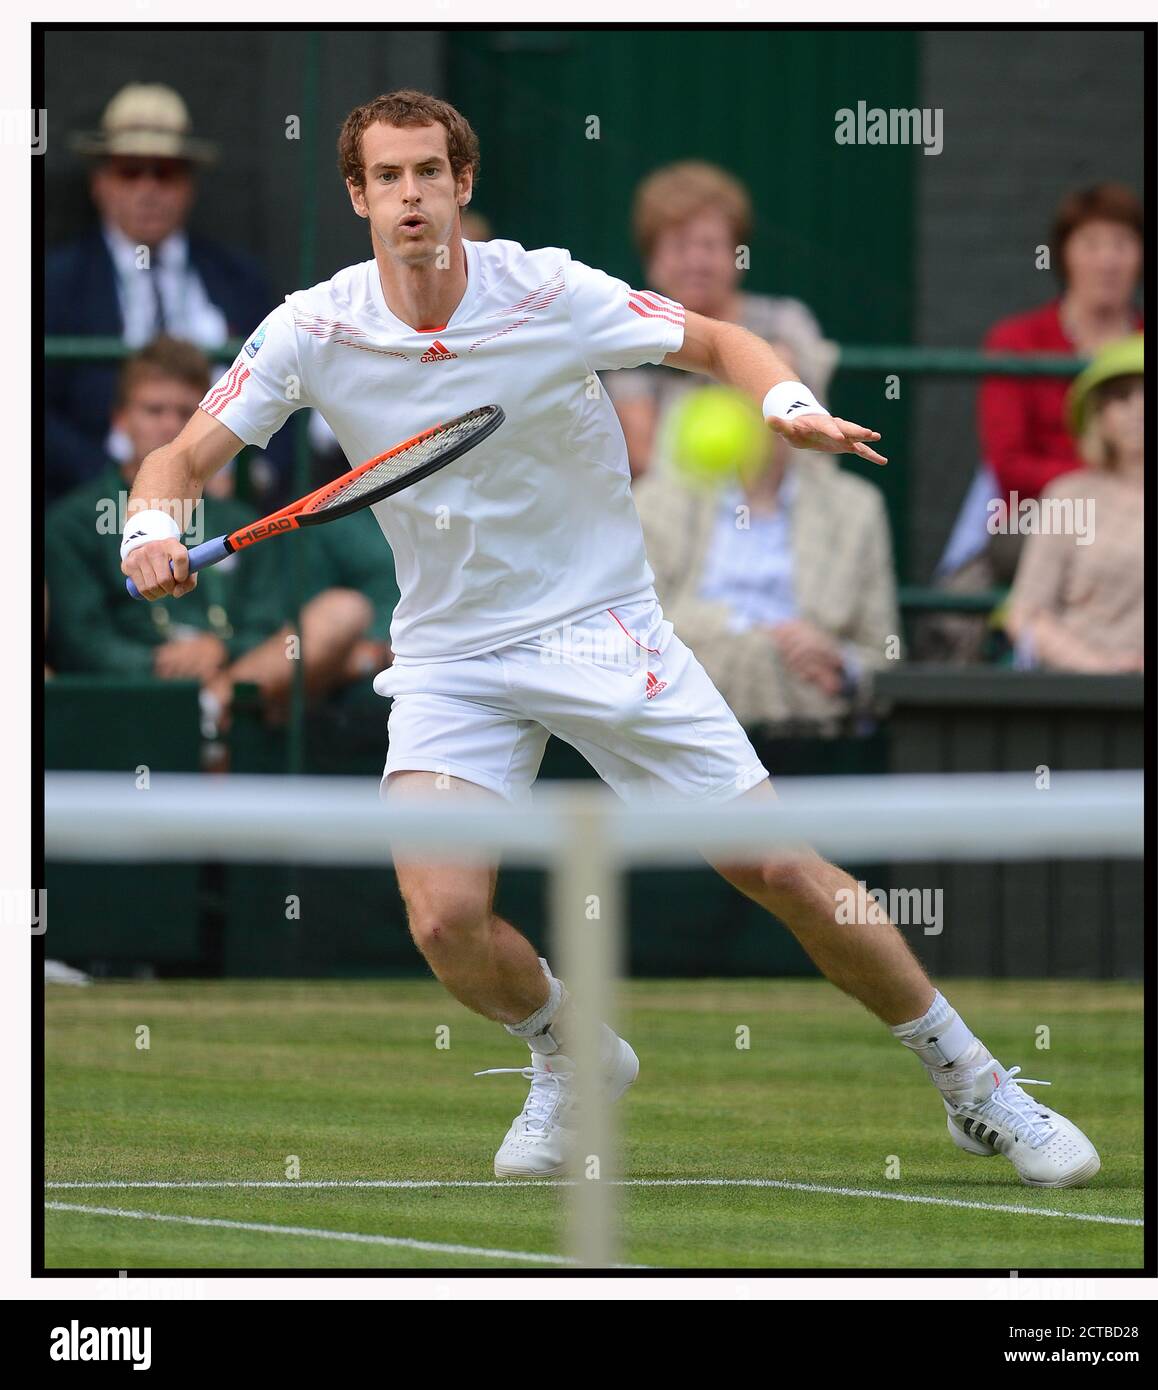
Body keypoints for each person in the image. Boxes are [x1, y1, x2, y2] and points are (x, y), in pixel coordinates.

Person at [119, 89, 1098, 1190]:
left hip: (600, 624)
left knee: (774, 863)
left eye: (428, 174)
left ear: (461, 185)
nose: (410, 196)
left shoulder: (550, 289)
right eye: (386, 178)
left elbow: (722, 338)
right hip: (451, 653)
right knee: (444, 919)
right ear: (357, 195)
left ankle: (977, 1085)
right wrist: (154, 523)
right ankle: (571, 1055)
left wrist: (781, 406)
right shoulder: (313, 326)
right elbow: (185, 457)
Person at [45, 338, 383, 731]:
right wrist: (158, 663)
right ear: (120, 419)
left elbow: (269, 620)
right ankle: (204, 719)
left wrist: (221, 650)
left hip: (237, 687)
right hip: (123, 698)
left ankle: (209, 713)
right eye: (154, 410)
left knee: (342, 610)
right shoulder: (73, 521)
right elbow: (79, 636)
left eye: (185, 413)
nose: (169, 424)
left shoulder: (239, 516)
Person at [46, 83, 278, 499]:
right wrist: (119, 482)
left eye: (165, 173)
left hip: (227, 501)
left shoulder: (239, 279)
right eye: (130, 171)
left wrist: (250, 476)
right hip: (98, 506)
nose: (147, 189)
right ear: (99, 182)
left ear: (189, 185)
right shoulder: (56, 284)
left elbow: (291, 388)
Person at [634, 389, 898, 733]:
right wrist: (761, 634)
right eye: (752, 388)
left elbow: (884, 655)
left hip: (811, 716)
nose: (770, 413)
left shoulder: (857, 508)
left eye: (788, 393)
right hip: (686, 708)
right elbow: (636, 631)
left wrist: (838, 660)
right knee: (755, 654)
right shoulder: (656, 502)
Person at [608, 160, 836, 478]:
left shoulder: (787, 324)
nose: (696, 261)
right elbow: (645, 461)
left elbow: (805, 437)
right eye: (679, 246)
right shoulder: (631, 337)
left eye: (710, 245)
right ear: (652, 260)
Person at [978, 183, 1143, 504]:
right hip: (1045, 514)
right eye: (1091, 245)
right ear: (1064, 255)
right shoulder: (1015, 341)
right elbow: (1009, 467)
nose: (1108, 261)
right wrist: (1104, 482)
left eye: (1122, 244)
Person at [1006, 336, 1143, 673]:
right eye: (1123, 397)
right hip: (1082, 704)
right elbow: (1026, 615)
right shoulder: (1068, 495)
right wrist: (1101, 668)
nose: (1140, 409)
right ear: (1100, 416)